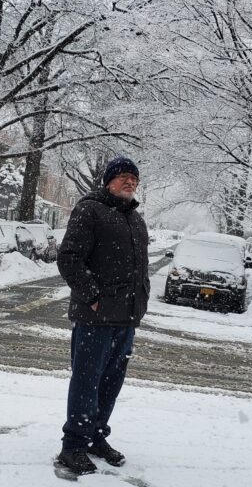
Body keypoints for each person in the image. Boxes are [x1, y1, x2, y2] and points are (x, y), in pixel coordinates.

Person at [56, 157, 150, 476]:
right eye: (123, 177)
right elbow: (69, 259)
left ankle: (96, 437)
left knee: (111, 382)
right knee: (86, 380)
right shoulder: (90, 209)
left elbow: (140, 268)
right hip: (94, 318)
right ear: (108, 180)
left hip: (126, 318)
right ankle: (73, 447)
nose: (130, 183)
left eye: (134, 179)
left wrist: (142, 298)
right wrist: (94, 298)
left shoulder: (136, 219)